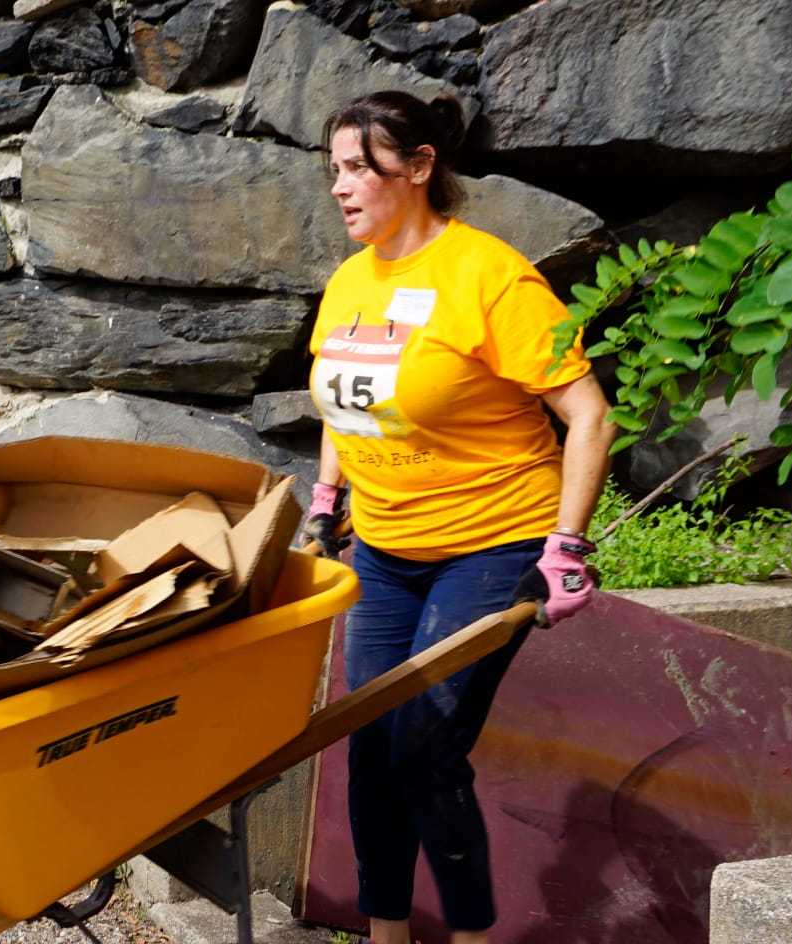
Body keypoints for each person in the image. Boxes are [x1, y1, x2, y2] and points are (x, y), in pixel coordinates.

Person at [302, 91, 617, 944]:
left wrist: (566, 546)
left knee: (422, 750)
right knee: (369, 749)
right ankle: (385, 933)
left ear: (420, 167)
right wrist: (328, 500)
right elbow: (344, 403)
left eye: (360, 167)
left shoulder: (490, 276)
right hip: (384, 550)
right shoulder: (350, 281)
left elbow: (589, 416)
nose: (340, 186)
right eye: (334, 169)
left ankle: (473, 934)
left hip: (489, 545)